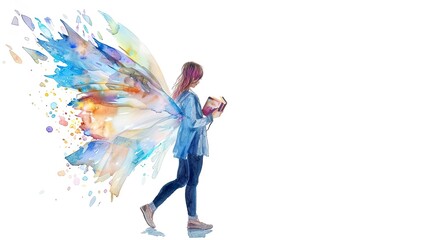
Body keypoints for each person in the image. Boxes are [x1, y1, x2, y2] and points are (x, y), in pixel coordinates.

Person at [140, 61, 221, 230]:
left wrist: (204, 113)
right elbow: (192, 124)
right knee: (191, 181)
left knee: (182, 179)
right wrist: (211, 117)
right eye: (197, 77)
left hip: (186, 146)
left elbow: (188, 121)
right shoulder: (190, 98)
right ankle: (192, 220)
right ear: (192, 77)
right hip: (193, 146)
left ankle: (151, 207)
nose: (198, 81)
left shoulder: (182, 95)